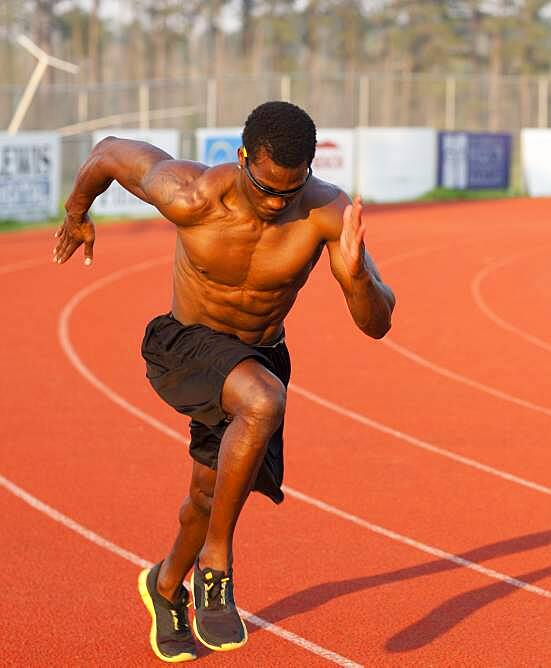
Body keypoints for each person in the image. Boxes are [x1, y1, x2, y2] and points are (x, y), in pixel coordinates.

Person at [53, 101, 396, 662]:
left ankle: (165, 587)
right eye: (265, 188)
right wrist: (76, 212)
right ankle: (217, 562)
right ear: (240, 159)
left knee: (206, 494)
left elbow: (376, 325)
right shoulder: (188, 193)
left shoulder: (327, 213)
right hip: (186, 345)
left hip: (256, 354)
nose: (275, 202)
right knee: (263, 402)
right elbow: (108, 153)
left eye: (290, 190)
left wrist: (356, 278)